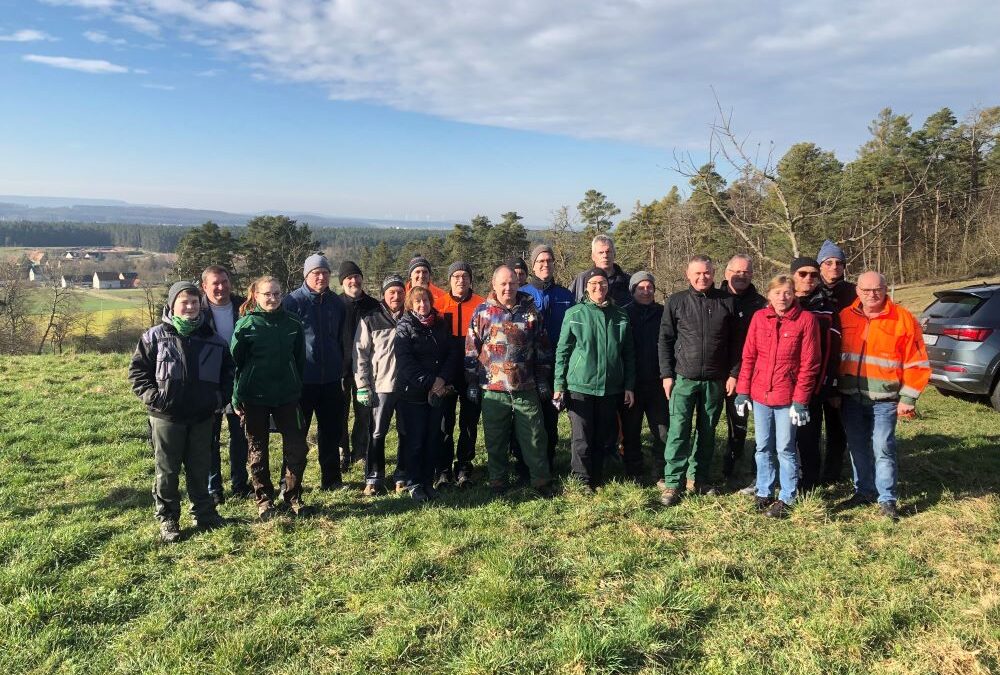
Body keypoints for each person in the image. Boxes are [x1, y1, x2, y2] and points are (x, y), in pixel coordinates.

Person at [129, 281, 232, 543]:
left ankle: (205, 513)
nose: (190, 307)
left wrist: (217, 399)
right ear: (172, 305)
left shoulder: (214, 340)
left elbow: (228, 376)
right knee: (167, 470)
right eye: (184, 302)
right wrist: (155, 398)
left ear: (201, 305)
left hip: (202, 417)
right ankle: (168, 519)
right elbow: (138, 373)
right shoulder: (154, 337)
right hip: (166, 417)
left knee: (200, 467)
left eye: (194, 302)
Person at [836, 271, 930, 521]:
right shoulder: (845, 316)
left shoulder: (903, 319)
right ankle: (863, 490)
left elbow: (917, 362)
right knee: (857, 448)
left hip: (885, 400)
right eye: (865, 290)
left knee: (883, 448)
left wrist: (908, 399)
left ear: (885, 289)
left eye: (876, 289)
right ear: (857, 291)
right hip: (851, 398)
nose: (871, 295)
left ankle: (887, 499)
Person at [734, 274, 821, 518]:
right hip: (761, 394)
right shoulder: (760, 318)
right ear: (769, 294)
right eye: (777, 293)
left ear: (794, 294)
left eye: (787, 293)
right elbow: (749, 355)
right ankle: (764, 490)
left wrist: (801, 400)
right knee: (763, 447)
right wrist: (743, 391)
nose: (782, 298)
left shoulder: (806, 320)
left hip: (787, 398)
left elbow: (810, 363)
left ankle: (787, 497)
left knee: (785, 448)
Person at [658, 255, 741, 506]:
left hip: (716, 380)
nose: (702, 277)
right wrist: (667, 375)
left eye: (706, 273)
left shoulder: (727, 302)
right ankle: (673, 482)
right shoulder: (676, 301)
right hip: (684, 378)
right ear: (688, 274)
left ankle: (699, 478)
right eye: (697, 273)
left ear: (714, 274)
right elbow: (665, 340)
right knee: (678, 431)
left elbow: (737, 343)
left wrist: (734, 373)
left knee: (707, 432)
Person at [466, 265, 553, 496]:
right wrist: (472, 382)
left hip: (526, 386)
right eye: (503, 283)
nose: (508, 288)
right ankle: (498, 481)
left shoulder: (531, 311)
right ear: (494, 285)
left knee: (535, 436)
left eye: (512, 283)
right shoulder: (482, 312)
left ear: (518, 284)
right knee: (495, 439)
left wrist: (543, 378)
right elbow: (472, 350)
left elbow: (543, 348)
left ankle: (541, 481)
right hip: (493, 388)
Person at [231, 276, 310, 519]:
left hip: (287, 395)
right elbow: (237, 364)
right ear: (256, 296)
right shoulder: (245, 325)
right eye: (267, 294)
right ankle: (264, 499)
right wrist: (237, 397)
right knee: (257, 449)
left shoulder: (293, 323)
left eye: (277, 293)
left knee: (296, 448)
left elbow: (299, 359)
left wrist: (295, 384)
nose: (272, 298)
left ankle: (292, 496)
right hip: (255, 396)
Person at [555, 267, 636, 490]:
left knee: (602, 437)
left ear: (608, 286)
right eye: (593, 284)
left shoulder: (620, 315)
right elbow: (562, 351)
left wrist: (629, 385)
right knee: (582, 437)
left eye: (602, 284)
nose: (598, 288)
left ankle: (597, 478)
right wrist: (558, 384)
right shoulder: (575, 313)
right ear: (586, 288)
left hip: (610, 387)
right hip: (579, 385)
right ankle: (581, 480)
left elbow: (628, 353)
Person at [283, 253, 347, 490]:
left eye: (325, 273)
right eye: (315, 273)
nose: (321, 277)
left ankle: (331, 481)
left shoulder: (336, 303)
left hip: (330, 379)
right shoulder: (292, 302)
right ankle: (290, 483)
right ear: (306, 275)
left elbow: (340, 337)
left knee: (330, 433)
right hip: (302, 381)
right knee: (296, 436)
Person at [394, 286, 460, 502]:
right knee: (415, 440)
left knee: (433, 438)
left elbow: (451, 353)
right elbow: (405, 362)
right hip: (412, 393)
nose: (423, 305)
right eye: (418, 302)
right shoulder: (404, 327)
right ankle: (414, 483)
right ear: (411, 305)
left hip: (437, 392)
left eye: (426, 301)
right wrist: (431, 382)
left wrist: (441, 380)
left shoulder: (440, 324)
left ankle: (427, 481)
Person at [790, 257, 842, 493]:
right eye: (802, 274)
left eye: (813, 274)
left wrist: (829, 385)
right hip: (782, 384)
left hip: (814, 384)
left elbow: (833, 351)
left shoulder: (827, 308)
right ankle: (784, 478)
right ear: (792, 276)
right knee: (782, 436)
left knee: (809, 435)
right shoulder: (782, 302)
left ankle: (808, 483)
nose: (808, 278)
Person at [520, 244, 574, 471]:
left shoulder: (565, 295)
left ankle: (548, 462)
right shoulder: (522, 294)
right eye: (540, 261)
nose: (545, 265)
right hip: (529, 366)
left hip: (557, 365)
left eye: (549, 261)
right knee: (529, 418)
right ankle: (525, 465)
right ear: (533, 265)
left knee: (551, 416)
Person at [200, 265, 251, 503]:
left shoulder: (244, 306)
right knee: (209, 438)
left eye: (224, 281)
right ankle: (214, 489)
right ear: (204, 287)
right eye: (215, 283)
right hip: (207, 382)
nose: (221, 287)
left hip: (238, 380)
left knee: (239, 436)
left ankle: (240, 484)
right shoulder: (196, 310)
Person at [433, 261, 485, 487]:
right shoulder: (439, 305)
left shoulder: (482, 304)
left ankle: (464, 467)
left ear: (470, 279)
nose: (460, 280)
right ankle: (443, 469)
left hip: (474, 371)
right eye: (456, 276)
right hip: (446, 372)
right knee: (445, 422)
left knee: (469, 421)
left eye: (464, 276)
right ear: (449, 280)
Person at [354, 274, 407, 495]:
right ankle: (374, 478)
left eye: (400, 292)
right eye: (391, 292)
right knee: (376, 433)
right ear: (383, 294)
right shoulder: (370, 318)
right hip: (381, 386)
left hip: (407, 387)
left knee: (406, 433)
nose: (396, 296)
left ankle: (402, 476)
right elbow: (361, 354)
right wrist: (363, 385)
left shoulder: (412, 317)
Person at [718, 254, 767, 490]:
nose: (741, 276)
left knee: (740, 424)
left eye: (746, 272)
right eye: (737, 271)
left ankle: (739, 466)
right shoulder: (714, 299)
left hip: (748, 374)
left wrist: (737, 373)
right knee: (707, 423)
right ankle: (708, 468)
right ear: (726, 273)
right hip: (712, 372)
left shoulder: (761, 304)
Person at [622, 271, 668, 481]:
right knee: (631, 430)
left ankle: (660, 468)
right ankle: (634, 470)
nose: (646, 291)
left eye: (650, 287)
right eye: (641, 288)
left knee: (662, 429)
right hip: (632, 382)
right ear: (632, 290)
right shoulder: (624, 314)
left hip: (658, 381)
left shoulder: (663, 312)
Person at [816, 239, 855, 484]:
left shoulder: (852, 293)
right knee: (807, 426)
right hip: (812, 367)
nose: (834, 267)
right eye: (828, 262)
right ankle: (807, 470)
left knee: (836, 425)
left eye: (838, 263)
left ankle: (832, 472)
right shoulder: (809, 288)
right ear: (820, 266)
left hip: (841, 366)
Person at [338, 260, 380, 472]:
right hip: (341, 370)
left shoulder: (374, 306)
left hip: (366, 370)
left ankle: (360, 452)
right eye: (348, 278)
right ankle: (343, 452)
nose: (353, 281)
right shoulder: (335, 305)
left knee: (364, 413)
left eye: (356, 277)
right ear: (342, 282)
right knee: (341, 414)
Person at [570, 235, 631, 306]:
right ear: (593, 257)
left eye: (608, 251)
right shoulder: (581, 279)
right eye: (601, 252)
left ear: (614, 254)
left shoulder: (628, 281)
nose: (605, 255)